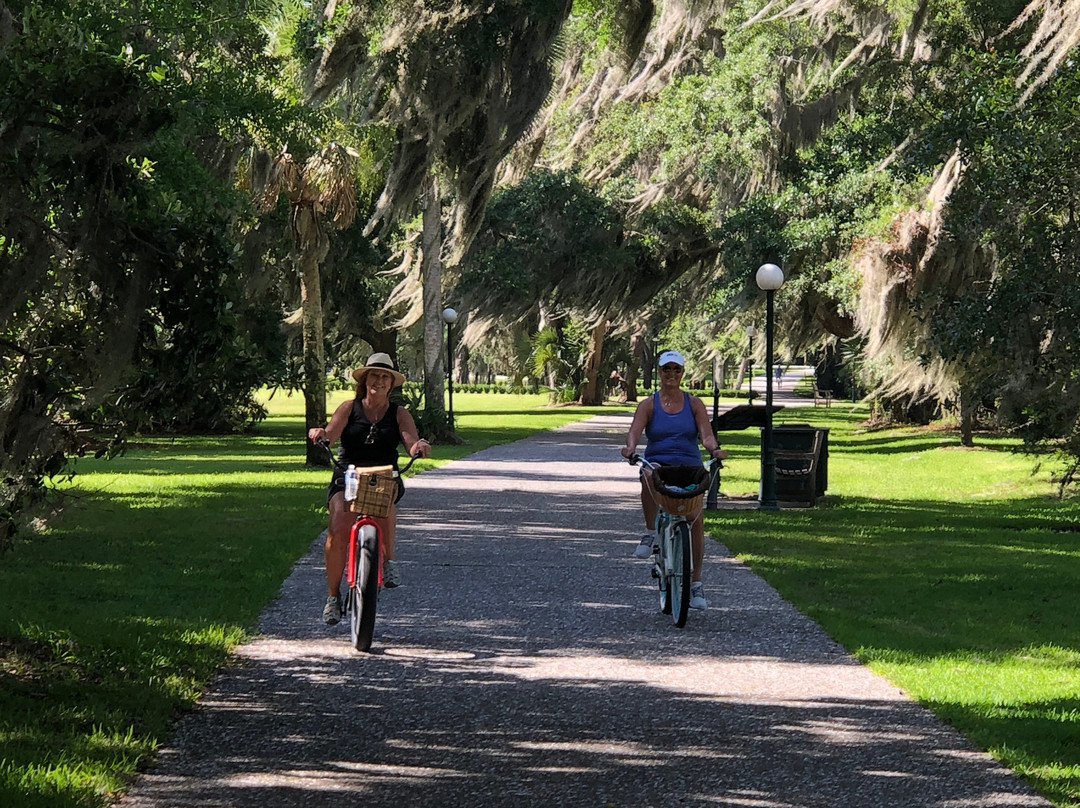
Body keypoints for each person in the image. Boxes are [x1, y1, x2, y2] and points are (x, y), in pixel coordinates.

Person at [307, 352, 431, 625]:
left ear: (391, 383)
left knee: (384, 500)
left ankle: (389, 562)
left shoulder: (399, 414)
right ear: (364, 380)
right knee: (339, 523)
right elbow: (331, 433)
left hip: (384, 474)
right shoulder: (349, 408)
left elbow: (411, 442)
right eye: (374, 375)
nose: (379, 380)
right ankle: (332, 597)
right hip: (348, 473)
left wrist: (418, 447)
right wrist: (321, 434)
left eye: (385, 376)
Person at [620, 350, 726, 610]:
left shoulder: (693, 404)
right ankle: (649, 533)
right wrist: (630, 448)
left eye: (676, 370)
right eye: (666, 369)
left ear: (682, 373)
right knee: (647, 473)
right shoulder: (649, 404)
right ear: (659, 372)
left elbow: (707, 435)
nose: (671, 374)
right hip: (659, 462)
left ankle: (697, 584)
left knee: (695, 519)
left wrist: (714, 449)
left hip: (688, 464)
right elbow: (634, 433)